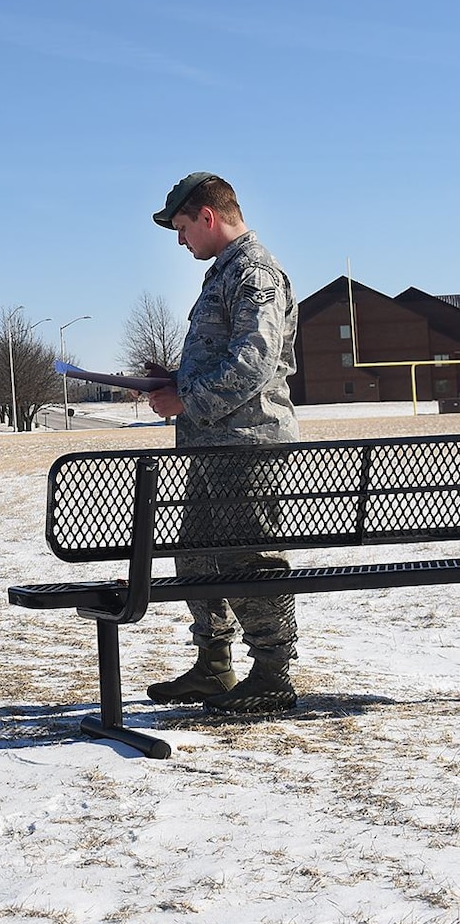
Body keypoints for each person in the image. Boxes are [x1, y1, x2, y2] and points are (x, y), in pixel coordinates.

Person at [145, 173, 301, 714]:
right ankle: (214, 665)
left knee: (249, 559)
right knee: (196, 557)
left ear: (207, 216)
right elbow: (224, 357)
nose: (181, 240)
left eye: (183, 227)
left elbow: (253, 364)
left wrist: (187, 400)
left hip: (246, 447)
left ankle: (272, 673)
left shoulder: (255, 274)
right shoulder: (225, 275)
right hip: (213, 447)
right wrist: (174, 380)